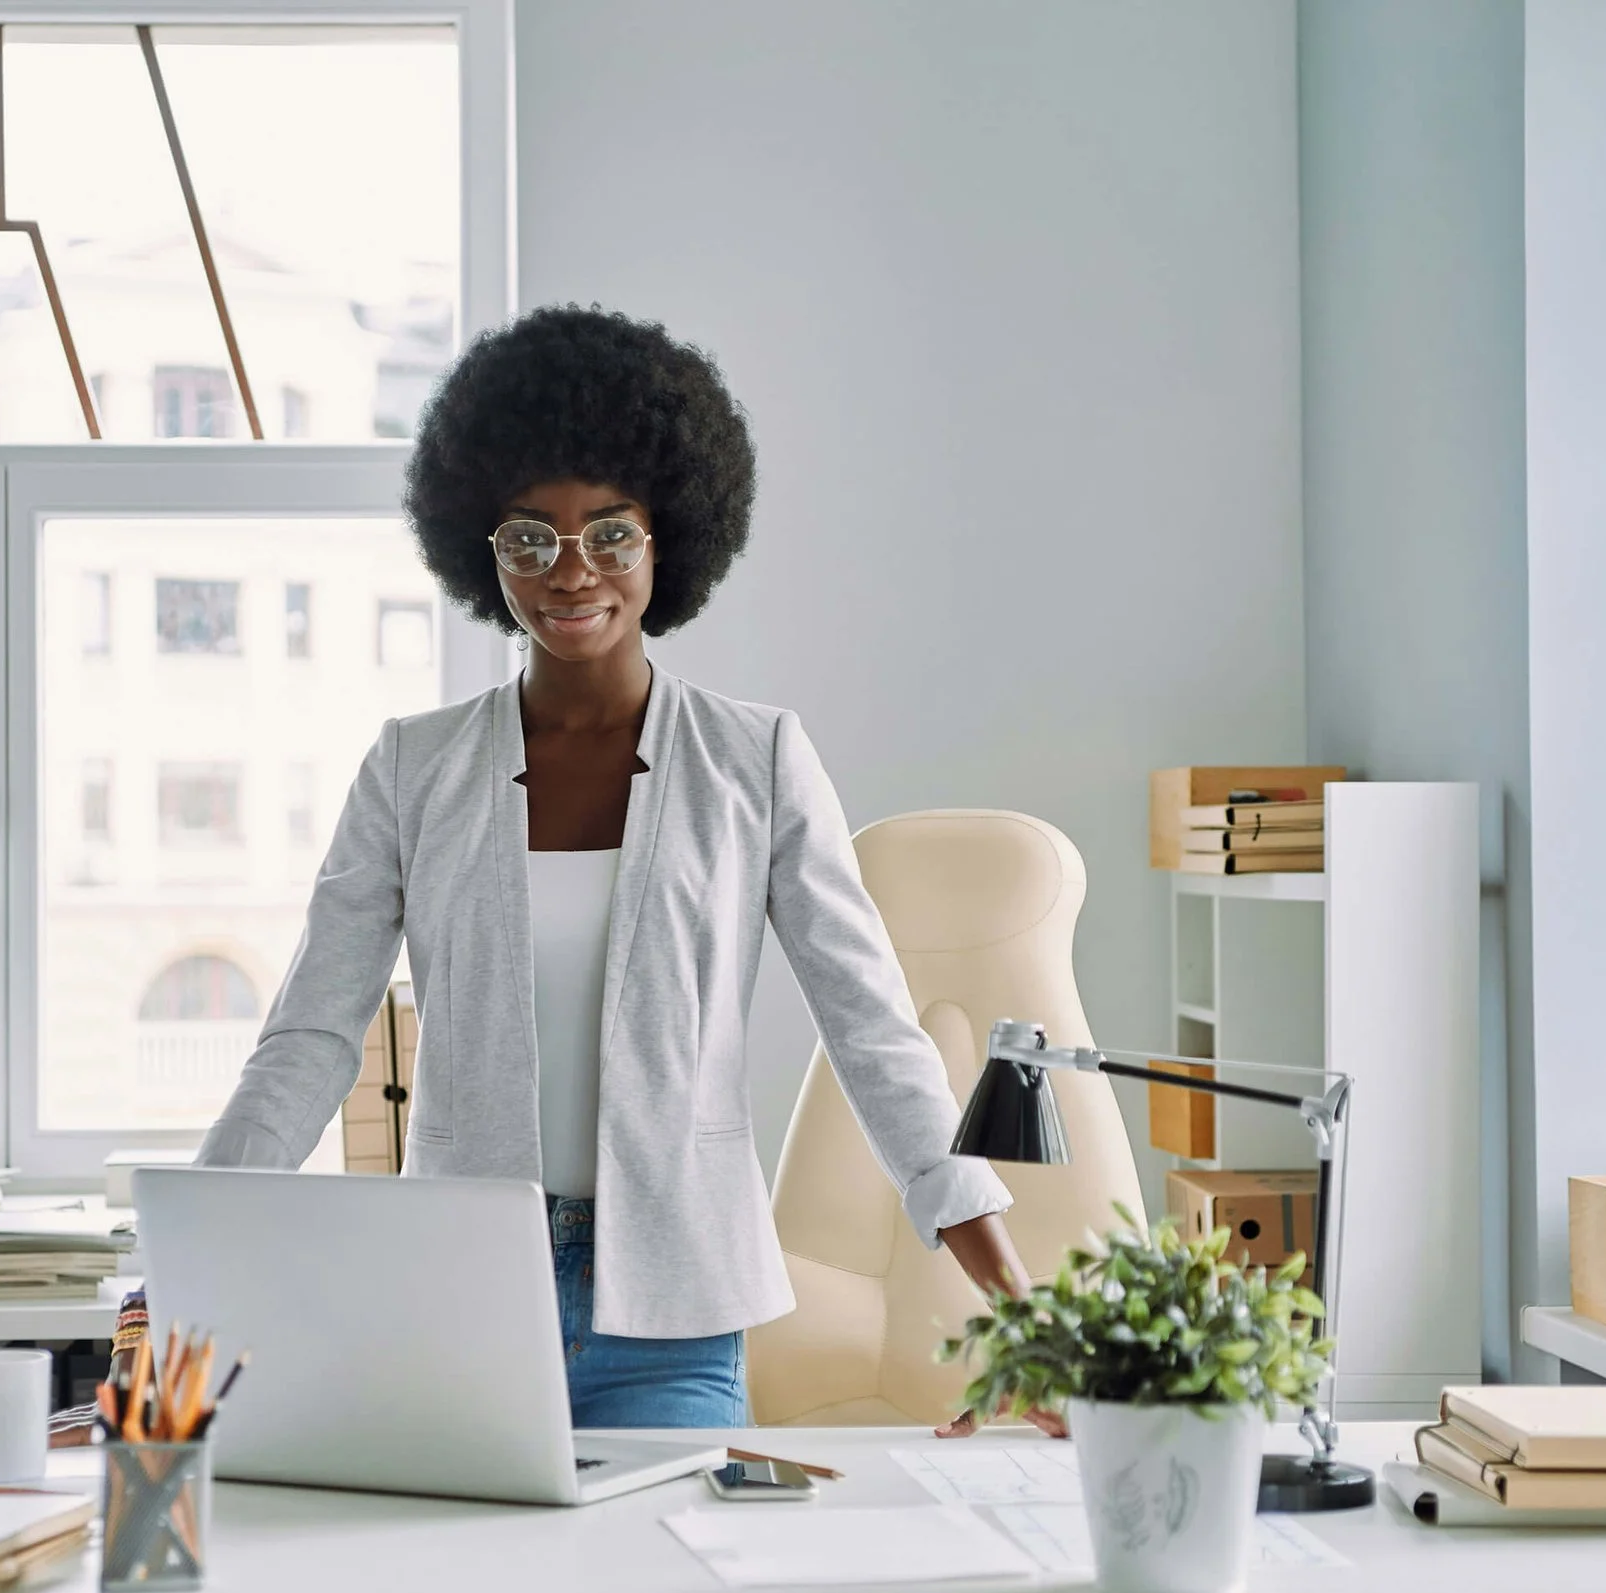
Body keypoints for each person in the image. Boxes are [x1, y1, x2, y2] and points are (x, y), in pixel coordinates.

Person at [196, 305, 1040, 1431]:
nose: (569, 570)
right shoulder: (413, 768)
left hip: (678, 1318)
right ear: (482, 546)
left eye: (610, 532)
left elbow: (876, 1037)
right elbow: (308, 1039)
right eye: (529, 537)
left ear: (668, 537)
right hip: (458, 1303)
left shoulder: (759, 759)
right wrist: (189, 1256)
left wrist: (1022, 1310)